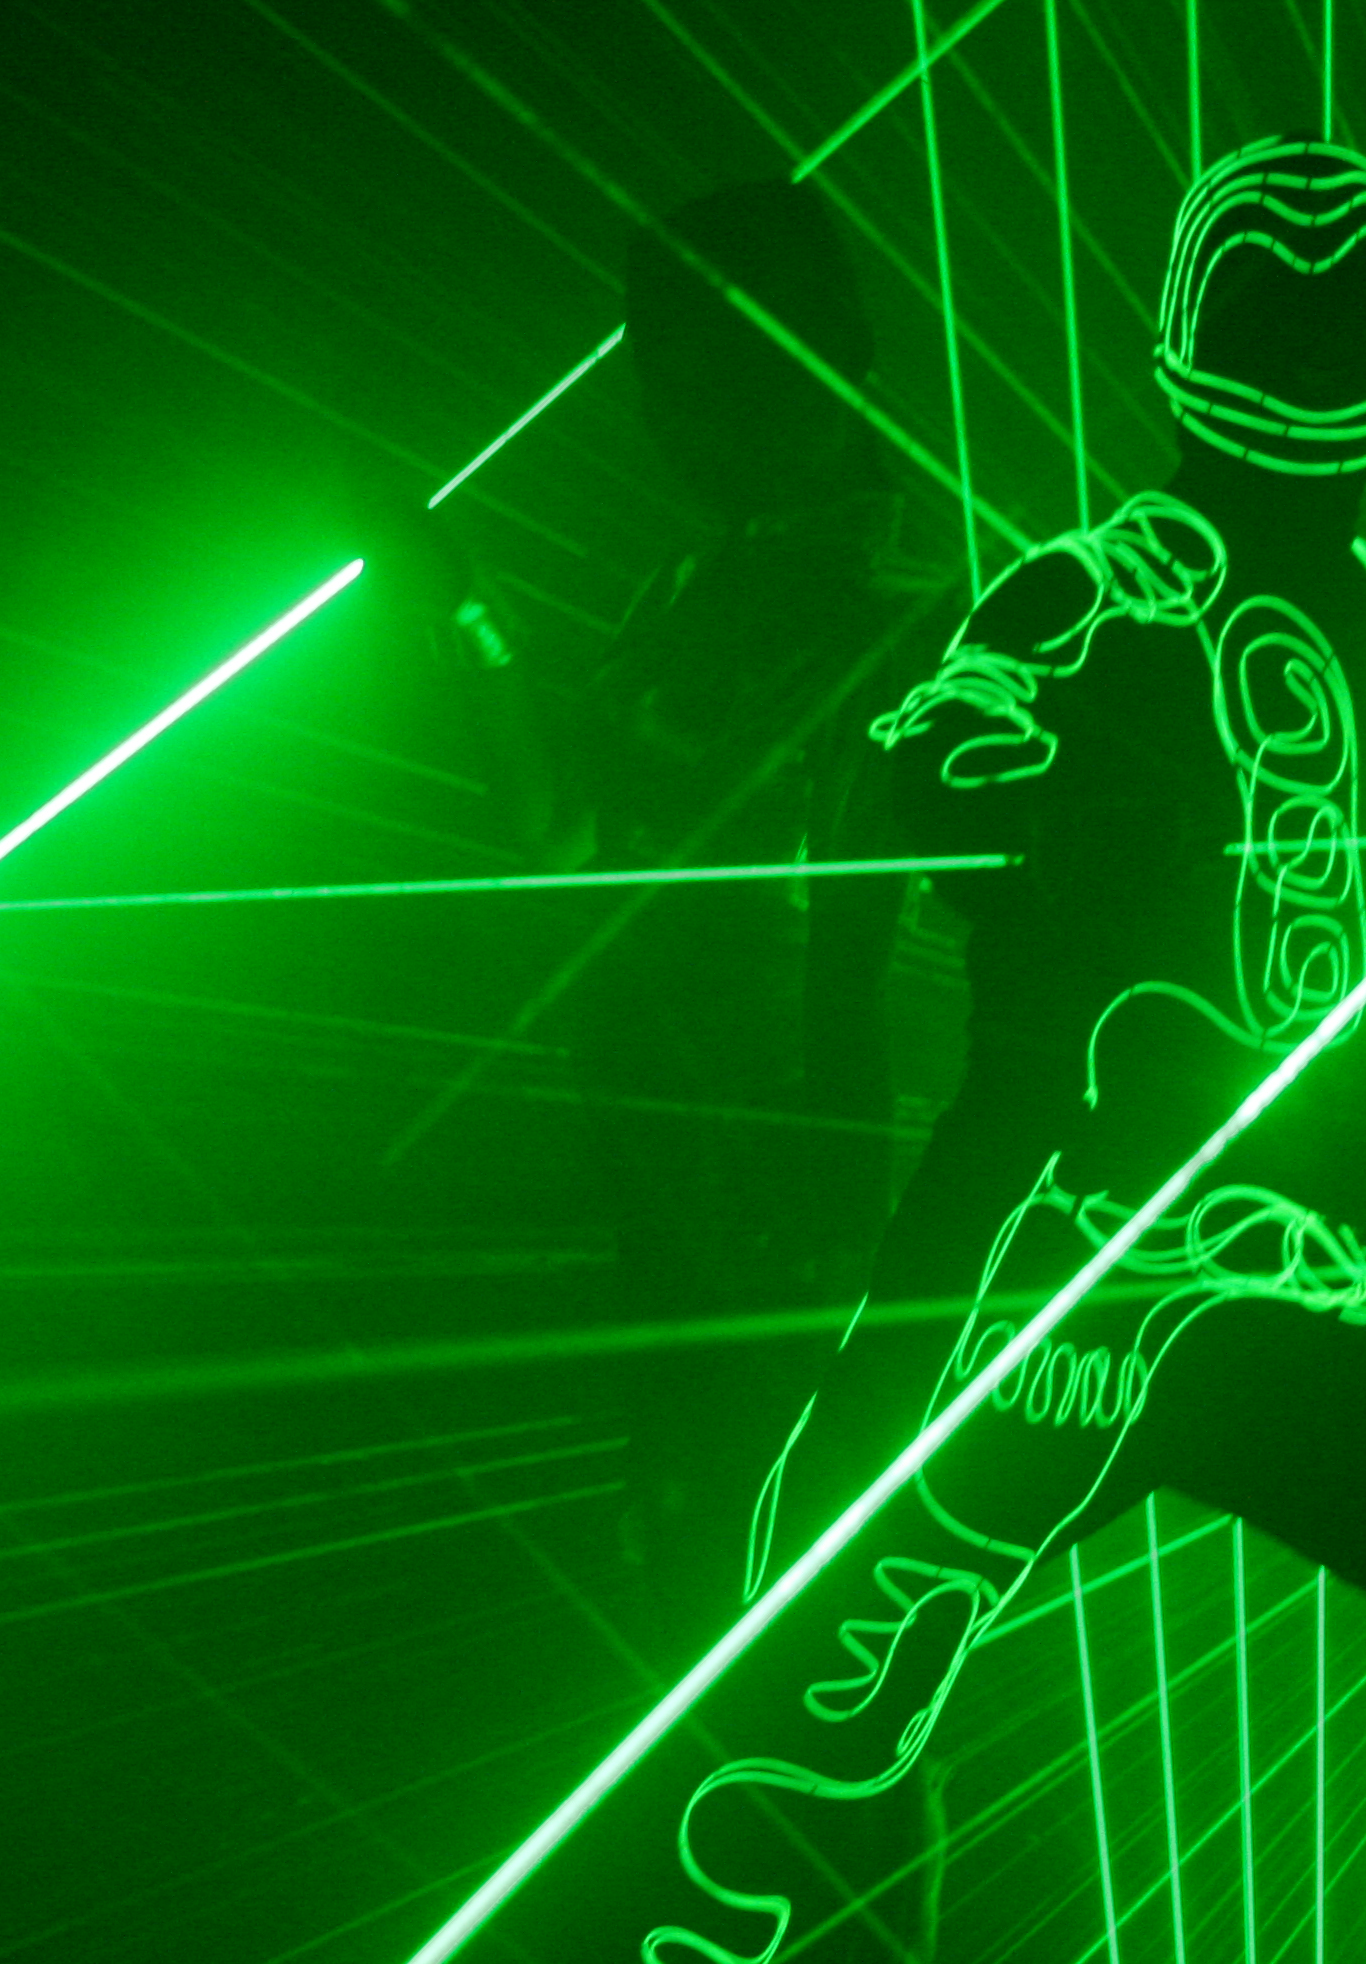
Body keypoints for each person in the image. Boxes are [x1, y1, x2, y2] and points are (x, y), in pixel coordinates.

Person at [537, 137, 1366, 1964]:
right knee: (783, 1714)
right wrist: (1002, 785)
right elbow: (938, 758)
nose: (1308, 371)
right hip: (1073, 1260)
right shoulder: (1111, 588)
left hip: (1343, 1271)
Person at [398, 181, 945, 1641]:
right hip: (658, 1167)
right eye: (660, 370)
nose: (677, 413)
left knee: (799, 1624)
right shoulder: (686, 587)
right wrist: (463, 608)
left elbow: (878, 944)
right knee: (686, 1597)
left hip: (789, 1204)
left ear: (820, 349)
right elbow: (559, 833)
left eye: (712, 364)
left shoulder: (907, 606)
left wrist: (842, 1239)